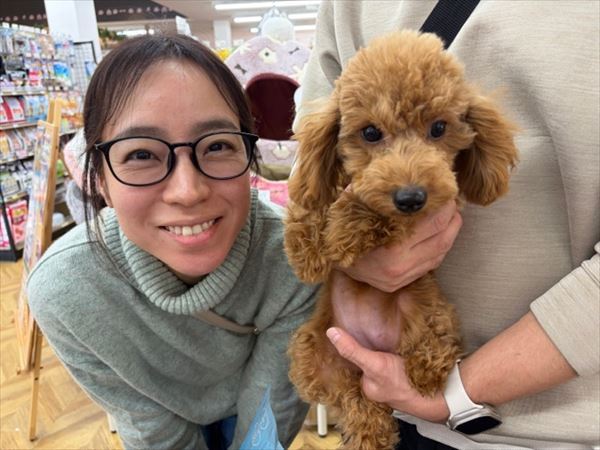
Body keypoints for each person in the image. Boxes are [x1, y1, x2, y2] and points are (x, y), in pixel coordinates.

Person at [295, 0, 599, 448]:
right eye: (374, 135)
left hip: (564, 429)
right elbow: (310, 180)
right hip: (390, 403)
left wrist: (457, 392)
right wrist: (340, 246)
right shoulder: (347, 7)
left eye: (437, 130)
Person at [27, 34, 320, 450]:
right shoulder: (65, 291)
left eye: (217, 145)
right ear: (100, 180)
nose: (188, 191)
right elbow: (144, 419)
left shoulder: (294, 257)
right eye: (141, 155)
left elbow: (271, 409)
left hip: (250, 402)